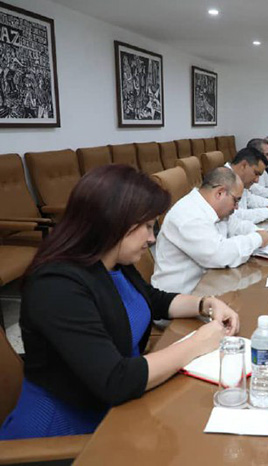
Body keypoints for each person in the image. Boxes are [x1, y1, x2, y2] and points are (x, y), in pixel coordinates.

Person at [0, 165, 238, 439]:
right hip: (67, 432)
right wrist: (197, 343)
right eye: (146, 226)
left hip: (119, 408)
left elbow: (153, 300)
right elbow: (115, 380)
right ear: (114, 222)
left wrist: (206, 304)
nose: (152, 238)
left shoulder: (112, 261)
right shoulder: (57, 286)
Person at [152, 167, 268, 294]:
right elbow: (220, 255)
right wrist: (258, 239)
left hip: (208, 286)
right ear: (220, 193)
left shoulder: (214, 210)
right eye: (236, 200)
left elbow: (238, 225)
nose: (237, 207)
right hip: (180, 297)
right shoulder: (189, 215)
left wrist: (259, 232)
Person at [229, 148, 268, 224]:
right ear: (244, 165)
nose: (257, 180)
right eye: (256, 173)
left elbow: (250, 199)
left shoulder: (238, 180)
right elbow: (234, 216)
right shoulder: (223, 179)